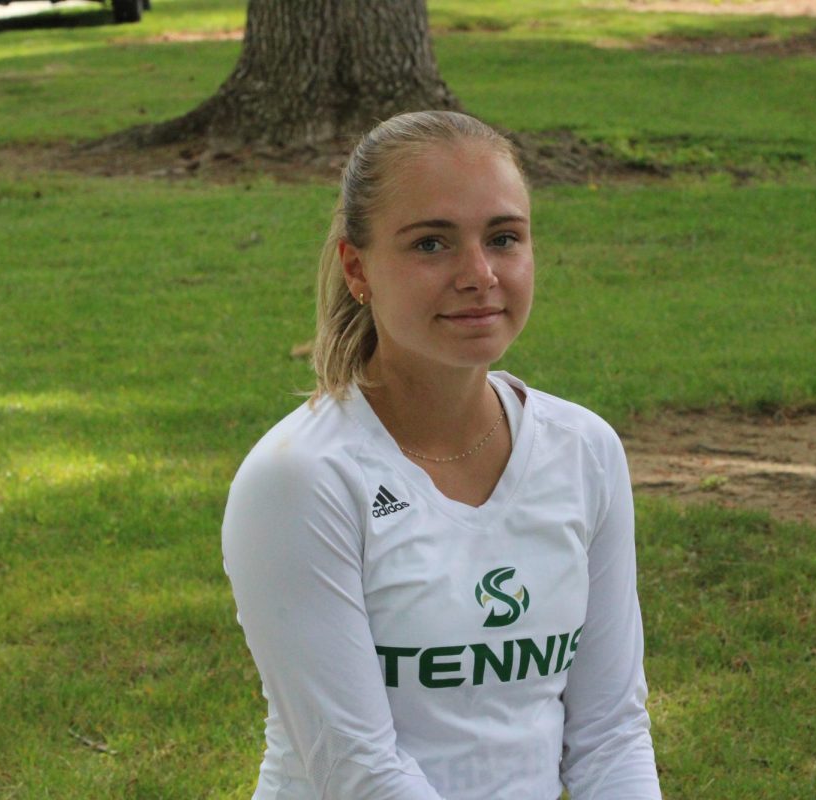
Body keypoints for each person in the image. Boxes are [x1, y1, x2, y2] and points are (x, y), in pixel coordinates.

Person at [221, 110, 661, 800]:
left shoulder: (585, 451)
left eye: (504, 238)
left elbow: (611, 733)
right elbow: (358, 770)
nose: (479, 274)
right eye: (432, 244)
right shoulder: (300, 478)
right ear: (357, 268)